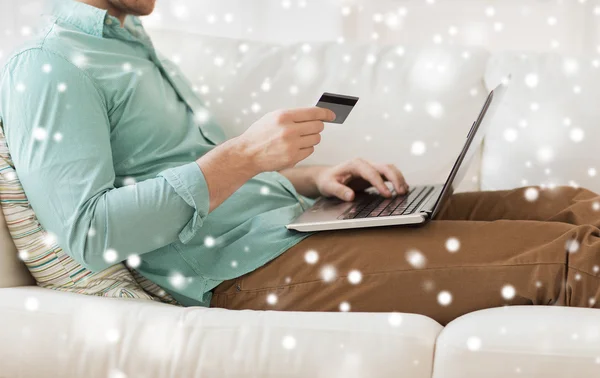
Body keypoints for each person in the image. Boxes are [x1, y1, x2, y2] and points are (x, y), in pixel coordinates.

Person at [0, 0, 598, 326]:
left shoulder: (126, 42)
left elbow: (187, 172)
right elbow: (88, 232)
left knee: (576, 204)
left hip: (294, 220)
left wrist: (312, 177)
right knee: (579, 259)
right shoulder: (51, 63)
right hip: (246, 269)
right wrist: (243, 155)